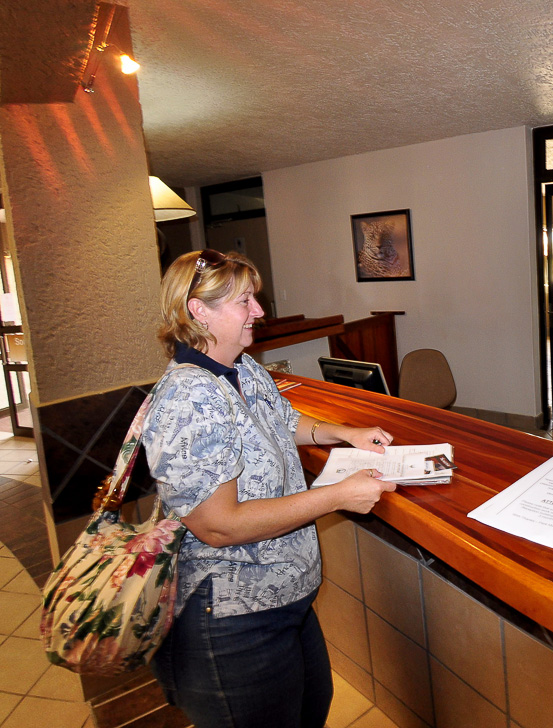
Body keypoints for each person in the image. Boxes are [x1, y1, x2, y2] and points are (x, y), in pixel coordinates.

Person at [143, 249, 397, 728]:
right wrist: (337, 496)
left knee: (310, 709)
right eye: (244, 301)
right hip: (231, 615)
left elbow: (284, 420)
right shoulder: (189, 396)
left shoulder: (242, 368)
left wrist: (343, 432)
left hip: (284, 597)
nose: (258, 311)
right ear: (199, 311)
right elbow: (218, 527)